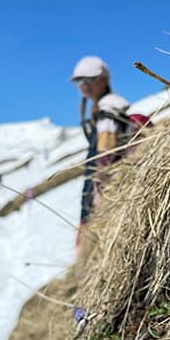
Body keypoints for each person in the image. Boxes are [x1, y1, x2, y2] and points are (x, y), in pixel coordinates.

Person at [70, 55, 130, 249]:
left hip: (101, 197)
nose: (85, 86)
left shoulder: (108, 110)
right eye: (80, 81)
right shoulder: (105, 108)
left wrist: (99, 198)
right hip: (102, 193)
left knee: (88, 250)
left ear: (104, 79)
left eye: (90, 79)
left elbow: (105, 155)